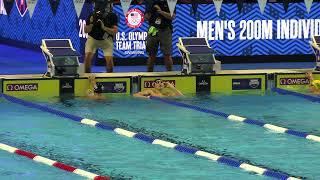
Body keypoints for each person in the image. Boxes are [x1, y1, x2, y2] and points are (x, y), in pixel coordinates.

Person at [84, 0, 118, 73]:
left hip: (106, 39)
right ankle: (87, 77)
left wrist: (104, 28)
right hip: (93, 38)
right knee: (87, 58)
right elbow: (86, 30)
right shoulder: (92, 15)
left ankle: (109, 78)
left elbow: (115, 31)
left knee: (109, 62)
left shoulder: (112, 16)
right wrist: (92, 24)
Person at [145, 0, 175, 72]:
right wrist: (150, 10)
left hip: (165, 30)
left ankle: (170, 74)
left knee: (167, 54)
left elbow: (172, 16)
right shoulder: (151, 2)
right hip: (153, 29)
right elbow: (146, 18)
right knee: (151, 55)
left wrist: (160, 11)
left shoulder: (170, 2)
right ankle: (149, 75)